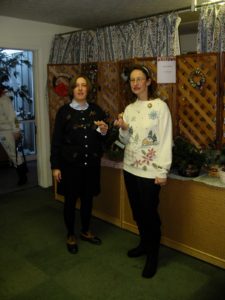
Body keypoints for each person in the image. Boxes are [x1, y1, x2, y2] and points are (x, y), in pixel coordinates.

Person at [114, 65, 173, 278]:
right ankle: (144, 245)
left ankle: (153, 255)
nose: (136, 83)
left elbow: (166, 140)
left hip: (150, 172)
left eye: (140, 79)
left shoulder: (159, 107)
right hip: (130, 168)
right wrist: (122, 127)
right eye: (132, 80)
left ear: (148, 81)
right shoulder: (129, 109)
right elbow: (124, 141)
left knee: (149, 215)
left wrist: (162, 171)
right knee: (138, 212)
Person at [50, 74, 108, 254]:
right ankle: (70, 234)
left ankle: (85, 231)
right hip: (70, 166)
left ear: (88, 89)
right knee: (70, 201)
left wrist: (104, 131)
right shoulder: (64, 112)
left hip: (90, 165)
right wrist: (56, 166)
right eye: (77, 86)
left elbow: (101, 139)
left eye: (84, 85)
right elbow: (57, 141)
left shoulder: (97, 111)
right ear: (72, 90)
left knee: (88, 200)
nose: (81, 89)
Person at [0, 87, 28, 185]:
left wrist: (16, 130)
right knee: (13, 154)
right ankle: (24, 172)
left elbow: (13, 117)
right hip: (2, 131)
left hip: (7, 132)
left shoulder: (4, 99)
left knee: (13, 154)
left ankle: (23, 177)